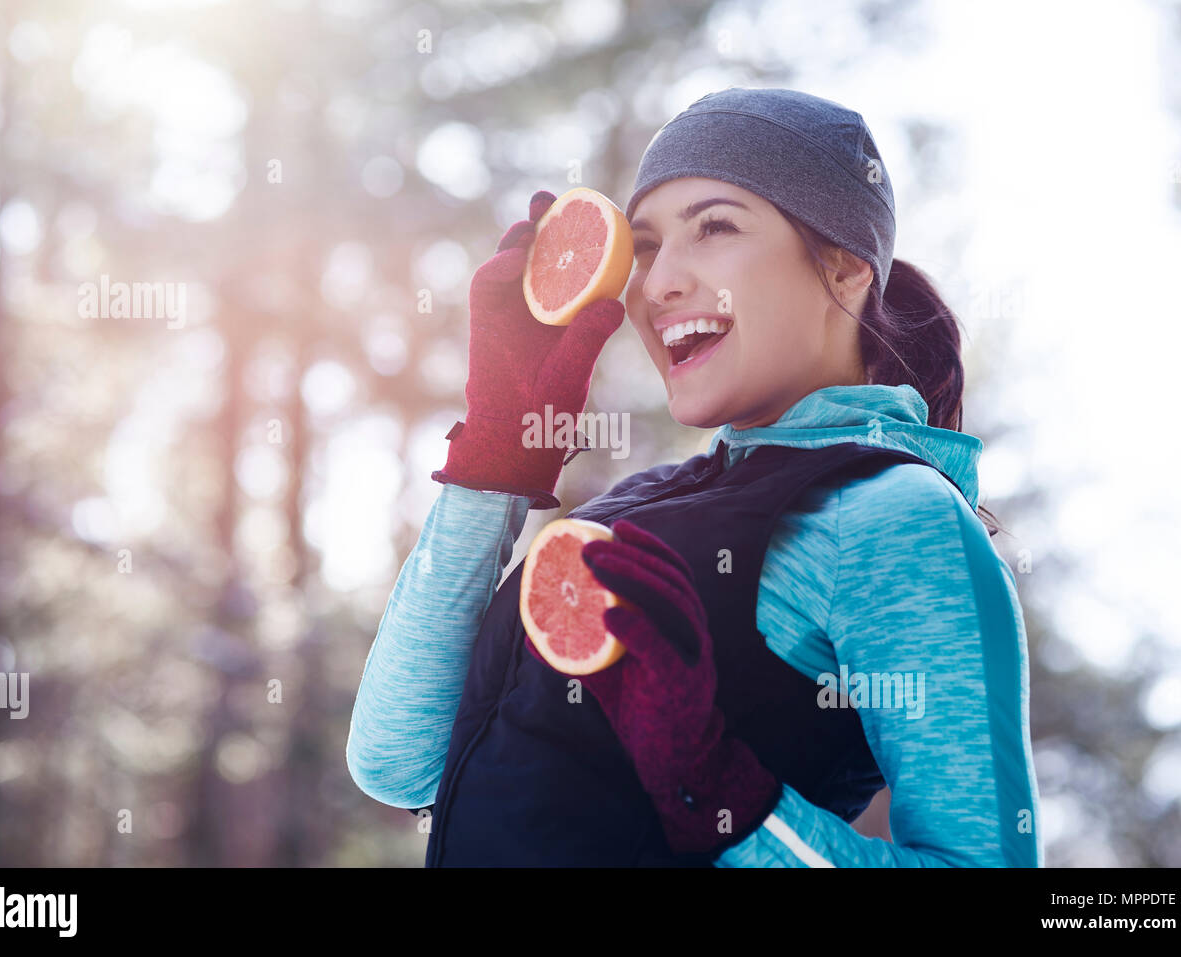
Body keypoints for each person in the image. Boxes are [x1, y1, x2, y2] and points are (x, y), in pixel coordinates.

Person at [347, 87, 1043, 867]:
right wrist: (494, 464)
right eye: (643, 247)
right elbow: (399, 761)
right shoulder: (637, 505)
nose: (656, 282)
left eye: (714, 227)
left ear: (847, 270)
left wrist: (720, 796)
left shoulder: (892, 515)